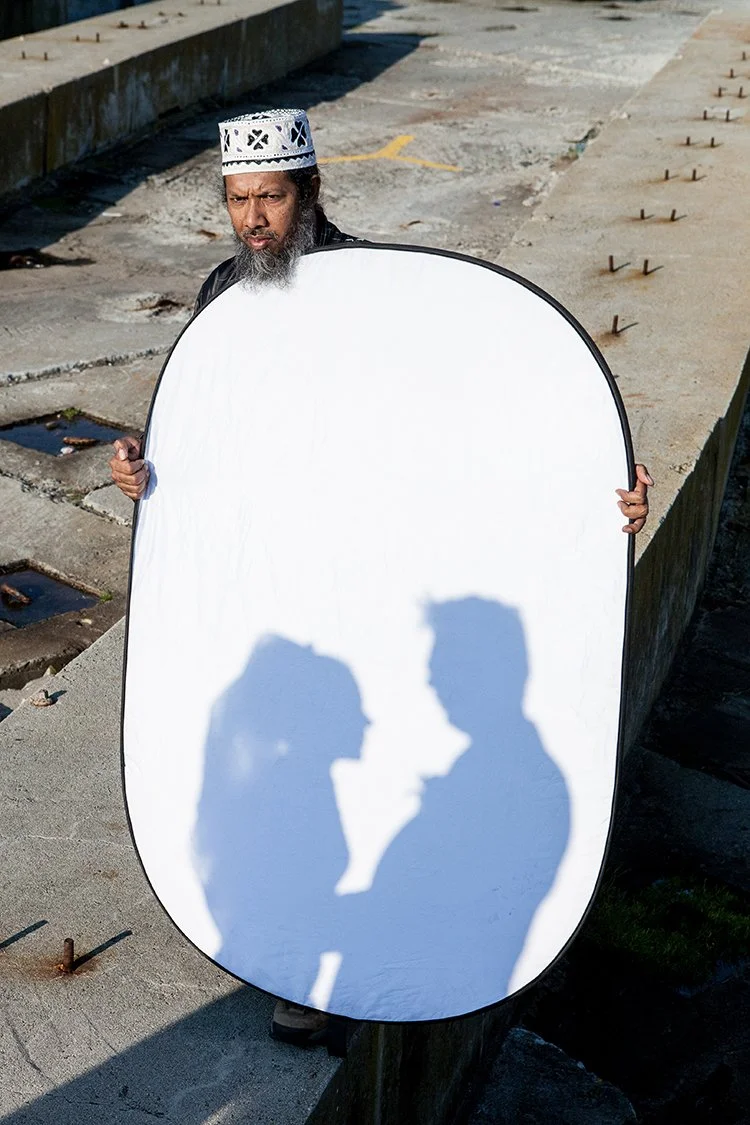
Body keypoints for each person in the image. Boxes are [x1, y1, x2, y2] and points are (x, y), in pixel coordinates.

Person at [110, 108, 652, 1046]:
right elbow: (216, 442)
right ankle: (291, 950)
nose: (254, 222)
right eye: (238, 201)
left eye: (271, 198)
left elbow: (461, 438)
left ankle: (360, 966)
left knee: (364, 772)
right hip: (271, 581)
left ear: (310, 191)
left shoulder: (376, 292)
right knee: (284, 782)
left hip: (359, 569)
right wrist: (144, 472)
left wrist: (597, 508)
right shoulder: (219, 295)